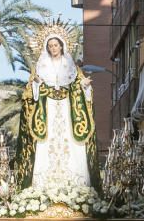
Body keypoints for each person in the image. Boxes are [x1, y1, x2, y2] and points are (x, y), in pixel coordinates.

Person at [12, 29, 100, 191]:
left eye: (56, 45)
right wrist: (37, 83)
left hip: (68, 109)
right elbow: (31, 96)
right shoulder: (40, 68)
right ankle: (42, 186)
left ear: (61, 46)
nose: (53, 48)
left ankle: (77, 184)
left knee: (73, 143)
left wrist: (84, 85)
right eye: (50, 46)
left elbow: (78, 86)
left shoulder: (72, 68)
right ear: (47, 48)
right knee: (46, 143)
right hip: (48, 109)